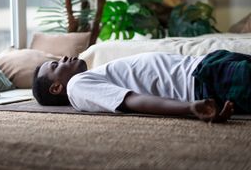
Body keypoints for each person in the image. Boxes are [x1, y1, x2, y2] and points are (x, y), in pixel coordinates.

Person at [32, 50, 251, 123]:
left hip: (207, 63)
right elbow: (132, 101)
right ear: (56, 88)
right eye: (55, 65)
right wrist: (190, 108)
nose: (63, 58)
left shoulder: (92, 76)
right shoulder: (76, 86)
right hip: (202, 80)